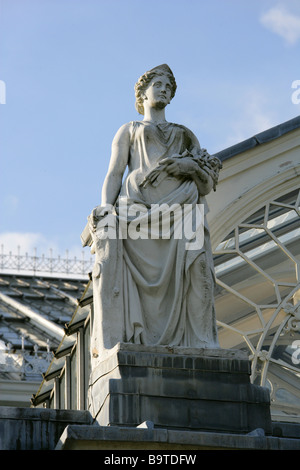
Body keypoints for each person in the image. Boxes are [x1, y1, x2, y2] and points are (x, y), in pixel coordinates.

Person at [83, 64, 221, 356]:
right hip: (136, 210)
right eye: (157, 84)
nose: (163, 90)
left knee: (198, 266)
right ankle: (118, 338)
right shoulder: (130, 130)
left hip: (182, 209)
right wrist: (106, 208)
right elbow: (114, 173)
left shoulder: (184, 134)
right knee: (111, 261)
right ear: (142, 93)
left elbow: (206, 184)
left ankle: (202, 341)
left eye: (168, 87)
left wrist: (188, 166)